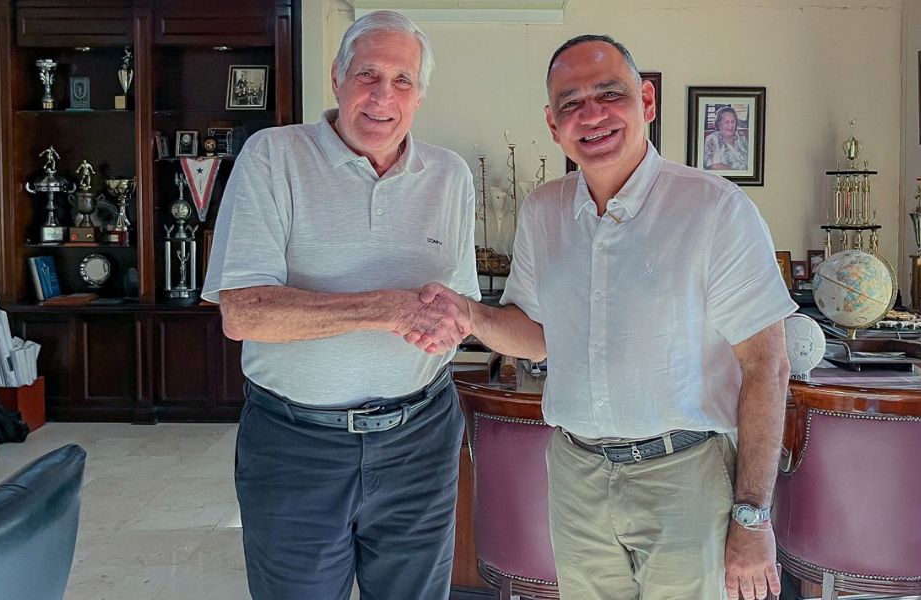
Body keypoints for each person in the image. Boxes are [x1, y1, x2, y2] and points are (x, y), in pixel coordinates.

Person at [408, 34, 796, 600]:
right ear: (552, 123)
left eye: (610, 94)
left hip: (684, 475)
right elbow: (536, 337)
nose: (591, 115)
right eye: (571, 103)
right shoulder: (542, 211)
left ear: (647, 102)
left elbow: (768, 366)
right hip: (577, 475)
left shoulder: (715, 209)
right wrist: (469, 315)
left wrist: (753, 515)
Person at [202, 11, 479, 600]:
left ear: (420, 95)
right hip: (296, 443)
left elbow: (456, 307)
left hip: (421, 439)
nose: (383, 96)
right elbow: (243, 313)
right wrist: (386, 309)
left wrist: (446, 325)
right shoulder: (273, 156)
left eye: (402, 80)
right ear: (337, 77)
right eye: (367, 75)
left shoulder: (450, 176)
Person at [704, 105, 749, 171]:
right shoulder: (712, 139)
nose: (730, 125)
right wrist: (737, 173)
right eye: (726, 122)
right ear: (719, 124)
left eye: (733, 121)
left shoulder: (741, 136)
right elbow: (712, 166)